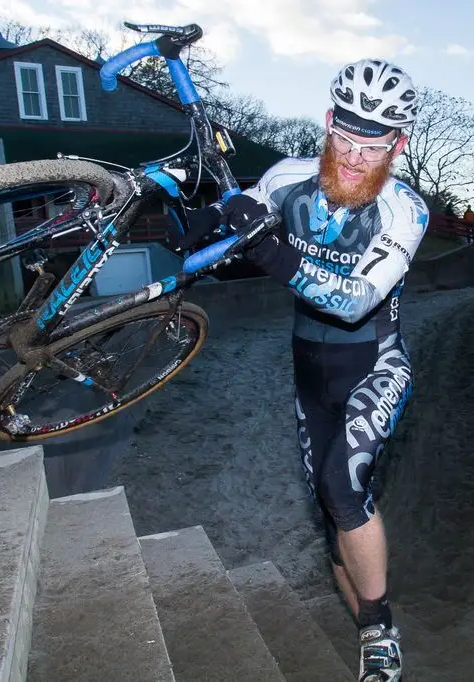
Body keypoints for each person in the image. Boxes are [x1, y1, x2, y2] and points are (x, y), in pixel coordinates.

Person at [174, 58, 426, 682]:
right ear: (326, 124)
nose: (354, 158)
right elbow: (232, 239)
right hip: (307, 372)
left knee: (345, 487)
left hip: (375, 363)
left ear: (399, 144)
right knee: (331, 513)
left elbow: (354, 301)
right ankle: (369, 629)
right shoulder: (288, 177)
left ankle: (380, 632)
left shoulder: (404, 210)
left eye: (373, 147)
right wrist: (204, 231)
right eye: (344, 140)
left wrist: (266, 248)